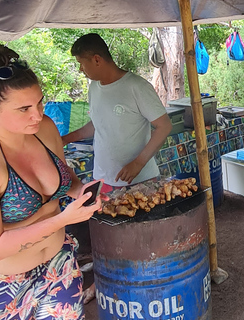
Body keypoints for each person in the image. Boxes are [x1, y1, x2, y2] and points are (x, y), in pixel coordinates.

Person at [62, 33, 172, 302]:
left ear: (97, 59)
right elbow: (96, 124)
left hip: (141, 179)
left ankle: (145, 291)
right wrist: (65, 138)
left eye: (82, 63)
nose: (81, 69)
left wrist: (138, 162)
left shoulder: (136, 86)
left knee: (142, 241)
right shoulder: (95, 87)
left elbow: (164, 126)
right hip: (106, 178)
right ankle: (106, 281)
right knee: (109, 238)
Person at [0, 45, 102, 319]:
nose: (37, 114)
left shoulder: (44, 128)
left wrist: (81, 190)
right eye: (24, 109)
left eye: (39, 102)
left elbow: (63, 176)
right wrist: (62, 219)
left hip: (59, 266)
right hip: (8, 284)